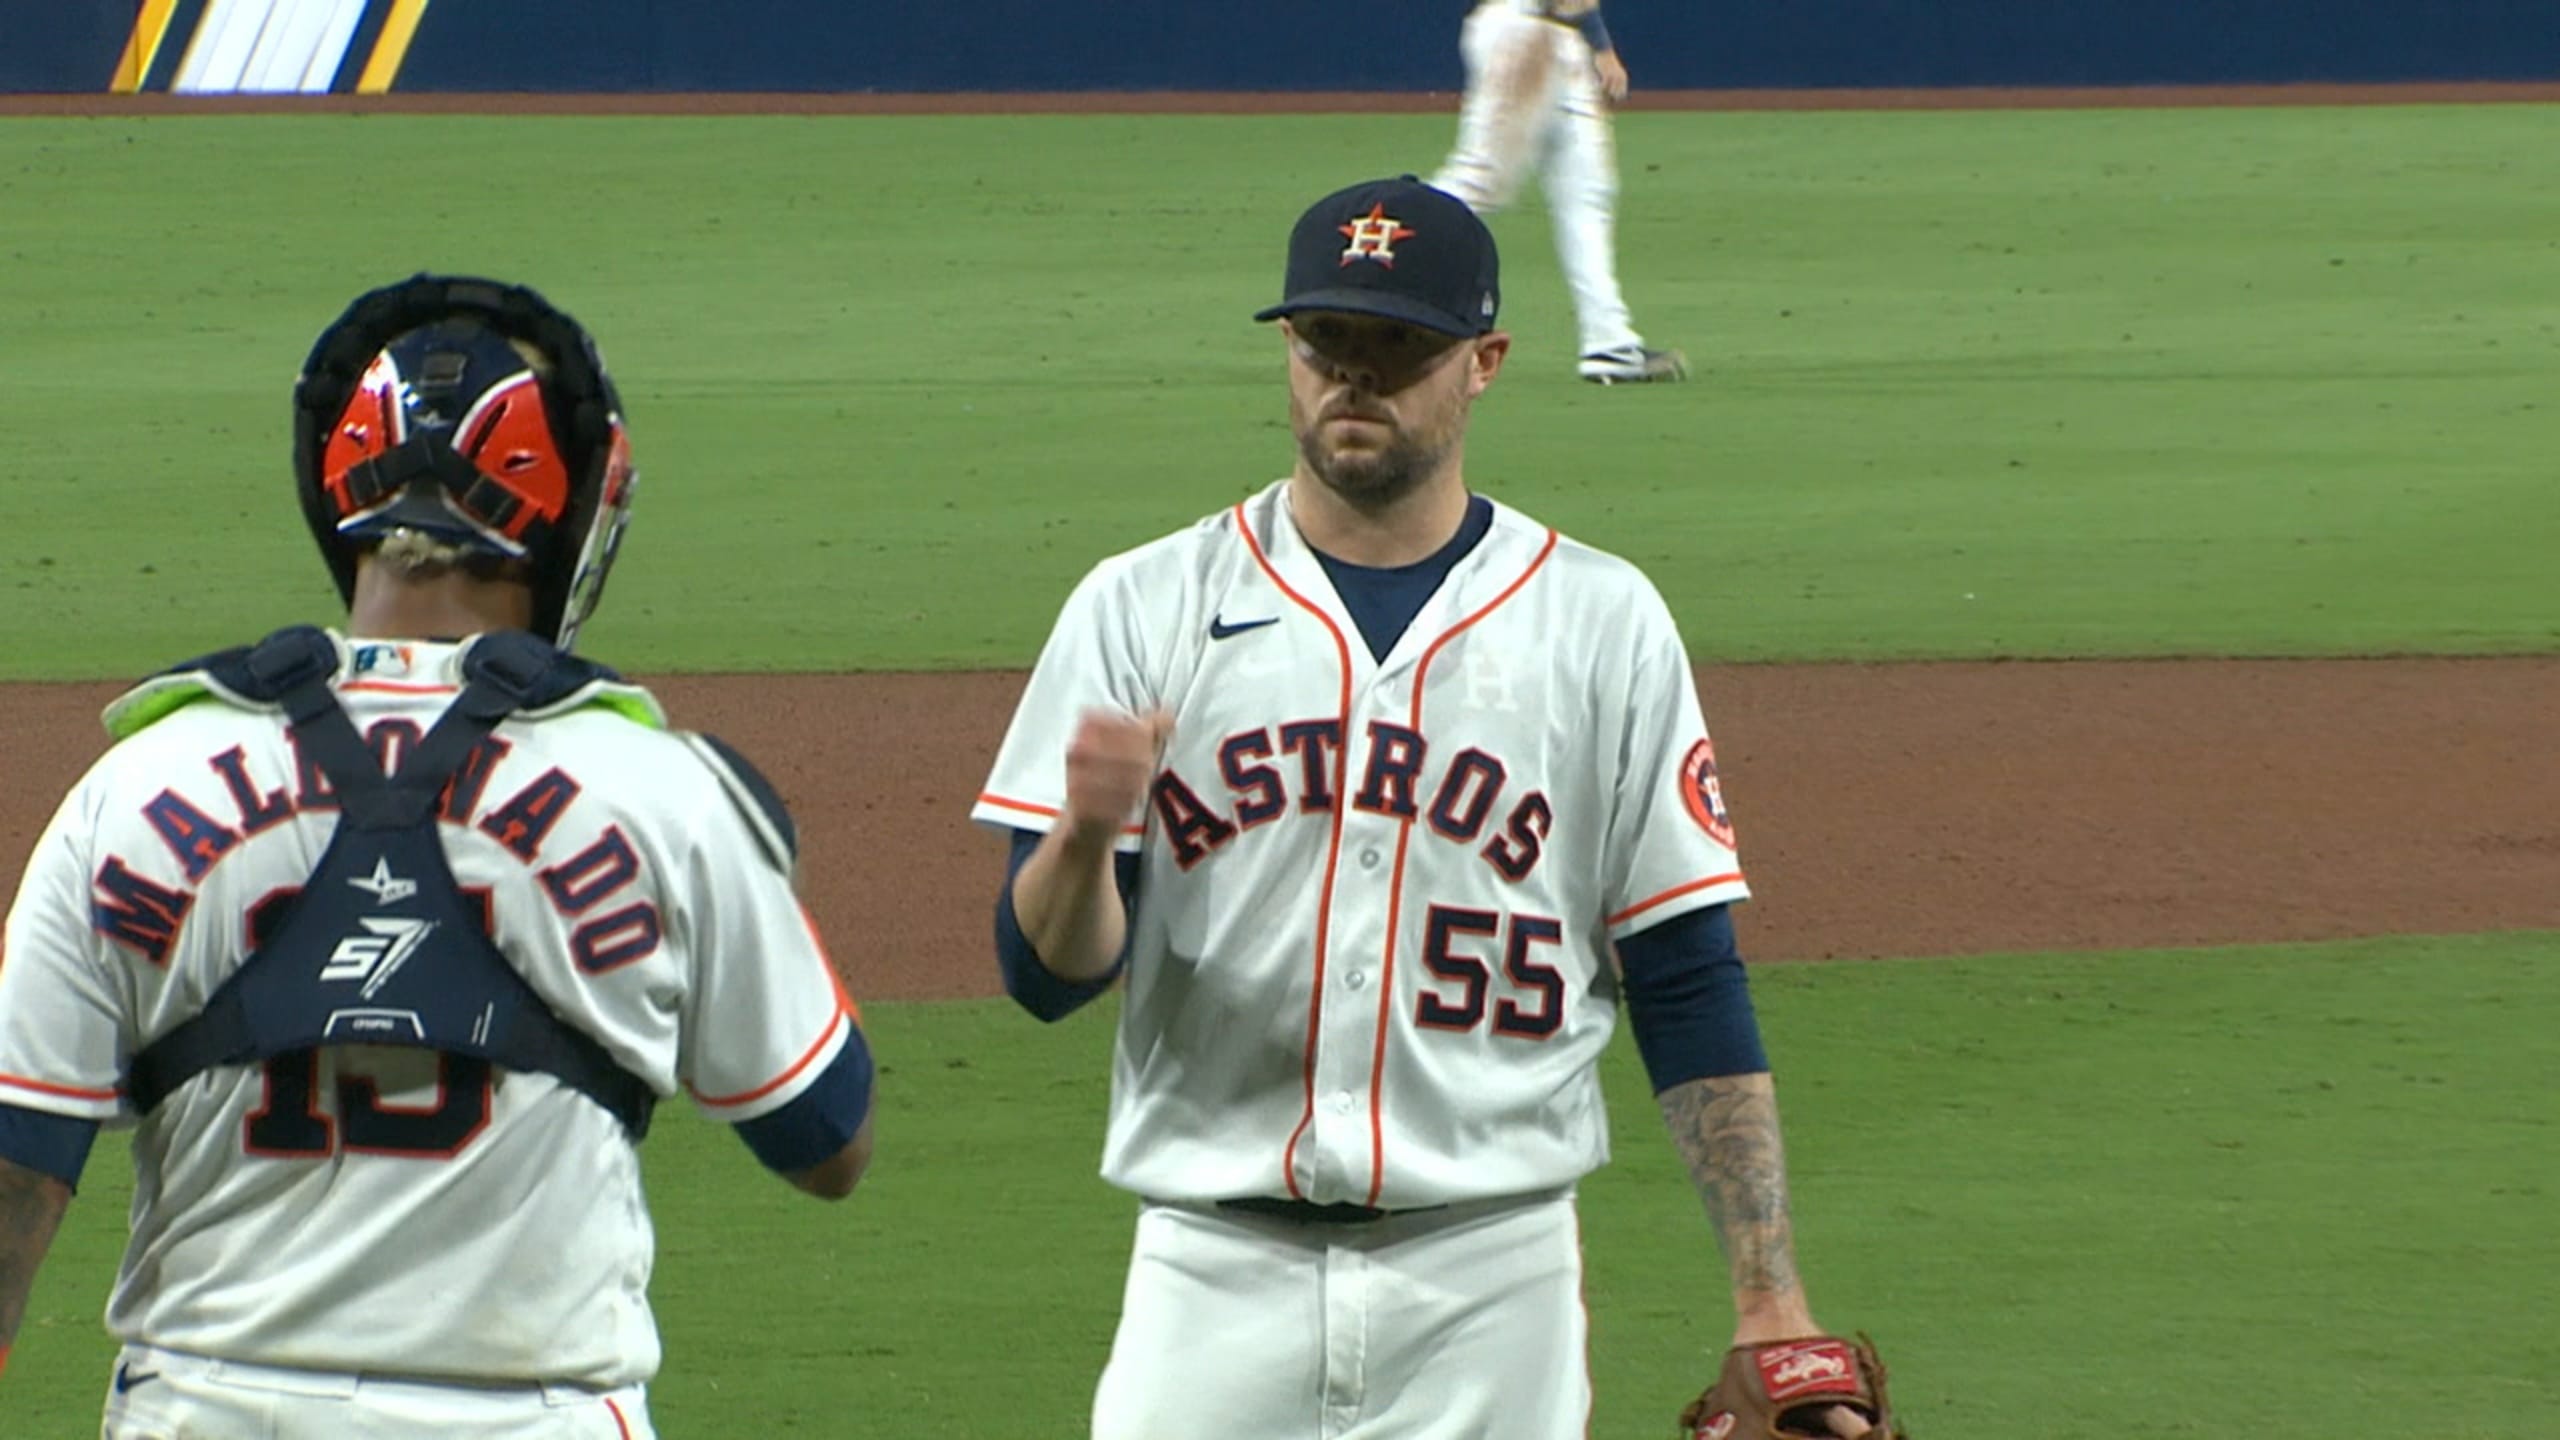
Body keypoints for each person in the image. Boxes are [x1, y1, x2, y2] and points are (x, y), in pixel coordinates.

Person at [972, 177, 1881, 1438]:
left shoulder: (1601, 623)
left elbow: (1683, 975)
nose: (1354, 378)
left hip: (1492, 1284)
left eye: (1398, 348)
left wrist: (1769, 1296)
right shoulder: (1140, 606)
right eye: (1325, 344)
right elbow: (1041, 975)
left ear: (1484, 363)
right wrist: (1078, 839)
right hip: (1206, 1275)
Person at [0, 274, 874, 1438]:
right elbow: (826, 1138)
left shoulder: (134, 787)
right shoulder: (664, 794)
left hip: (206, 1408)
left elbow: (17, 1171)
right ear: (564, 520)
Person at [1431, 0, 1690, 384]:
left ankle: (1610, 344)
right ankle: (1378, 239)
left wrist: (1593, 40)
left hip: (1556, 36)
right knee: (1481, 181)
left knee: (1587, 192)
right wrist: (1602, 46)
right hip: (1525, 29)